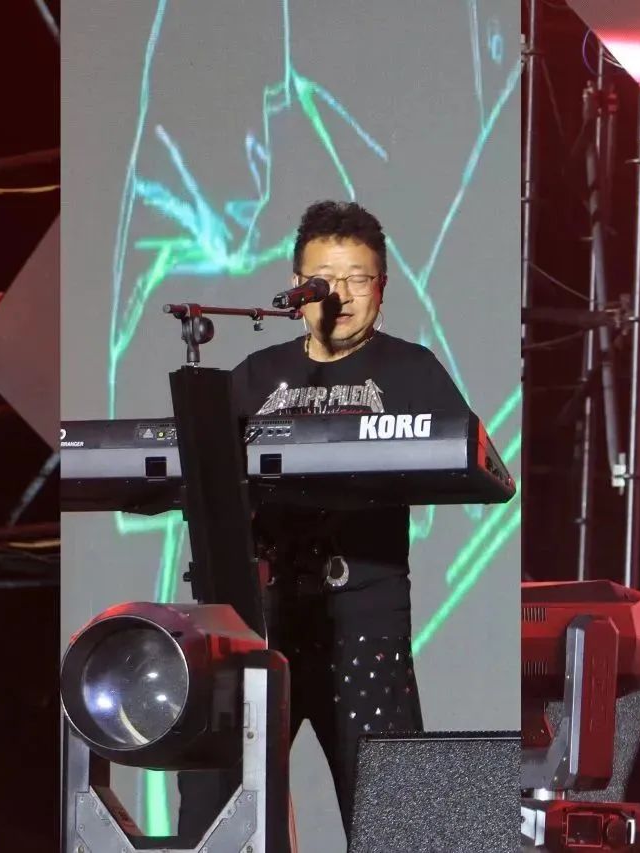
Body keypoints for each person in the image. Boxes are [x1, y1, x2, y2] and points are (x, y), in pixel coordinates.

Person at [177, 200, 470, 837]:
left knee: (397, 821)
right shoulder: (258, 374)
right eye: (323, 280)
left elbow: (469, 458)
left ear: (382, 287)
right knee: (213, 810)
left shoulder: (411, 368)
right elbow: (201, 477)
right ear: (297, 287)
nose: (339, 295)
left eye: (357, 279)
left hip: (363, 619)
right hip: (260, 618)